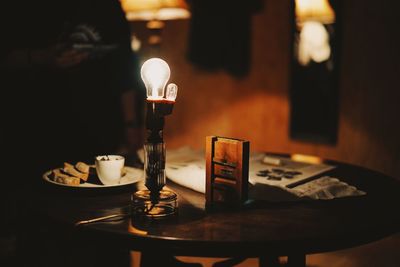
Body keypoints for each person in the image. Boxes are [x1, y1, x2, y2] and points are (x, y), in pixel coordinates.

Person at [0, 0, 144, 266]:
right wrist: (42, 57)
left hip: (103, 133)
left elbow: (124, 66)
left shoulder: (107, 6)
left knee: (109, 229)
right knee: (46, 235)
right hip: (37, 135)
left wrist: (131, 124)